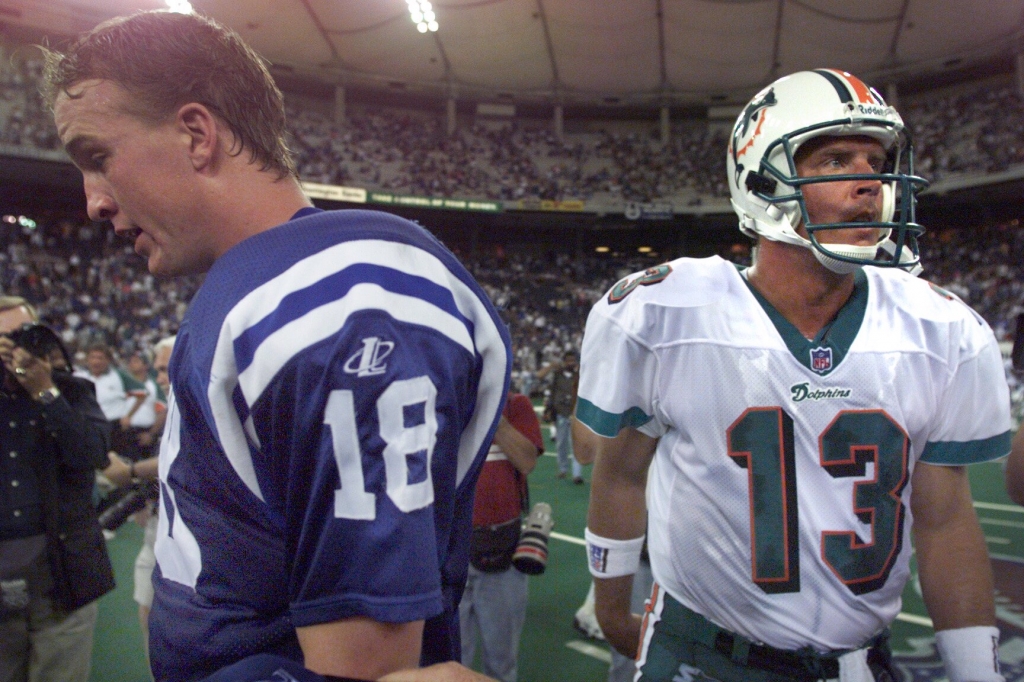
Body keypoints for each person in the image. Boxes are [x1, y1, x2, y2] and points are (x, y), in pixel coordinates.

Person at [43, 10, 510, 682]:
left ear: (196, 134)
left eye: (97, 158)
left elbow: (366, 670)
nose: (92, 201)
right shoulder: (262, 288)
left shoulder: (341, 301)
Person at [574, 70, 1011, 682]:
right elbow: (619, 473)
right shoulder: (665, 312)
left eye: (878, 160)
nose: (872, 184)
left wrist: (976, 673)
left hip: (863, 663)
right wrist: (611, 605)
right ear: (761, 181)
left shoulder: (942, 329)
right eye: (837, 159)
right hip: (704, 658)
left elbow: (944, 519)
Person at [0, 296, 114, 682]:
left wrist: (45, 391)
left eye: (21, 337)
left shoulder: (73, 391)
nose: (14, 350)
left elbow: (93, 454)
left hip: (62, 575)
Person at [460, 390, 543, 682]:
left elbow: (527, 461)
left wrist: (492, 414)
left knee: (501, 663)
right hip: (446, 552)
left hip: (500, 548)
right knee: (449, 662)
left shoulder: (515, 404)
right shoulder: (440, 402)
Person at [102, 336, 174, 664]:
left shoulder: (203, 405)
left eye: (164, 369)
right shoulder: (176, 406)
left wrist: (130, 471)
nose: (159, 377)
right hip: (159, 528)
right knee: (147, 614)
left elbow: (177, 460)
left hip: (185, 538)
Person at [74, 342, 147, 460]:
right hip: (88, 427)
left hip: (115, 428)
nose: (96, 362)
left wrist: (129, 416)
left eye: (100, 358)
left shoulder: (118, 375)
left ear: (107, 360)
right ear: (87, 360)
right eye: (93, 357)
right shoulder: (79, 376)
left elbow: (142, 393)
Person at [536, 349, 581, 483]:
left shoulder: (580, 375)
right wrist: (549, 408)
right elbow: (551, 390)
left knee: (575, 444)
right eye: (568, 360)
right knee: (561, 443)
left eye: (573, 360)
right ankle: (563, 469)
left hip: (576, 413)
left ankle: (576, 474)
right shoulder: (557, 375)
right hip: (561, 412)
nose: (570, 363)